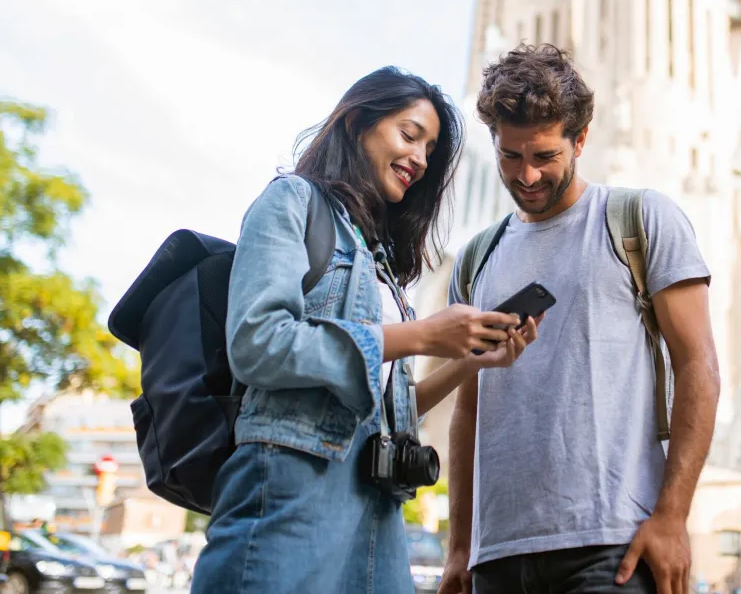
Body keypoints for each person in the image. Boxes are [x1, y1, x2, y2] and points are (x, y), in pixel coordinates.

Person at [190, 67, 542, 594]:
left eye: (429, 151)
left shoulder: (377, 258)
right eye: (409, 135)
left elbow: (390, 406)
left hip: (376, 505)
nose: (420, 160)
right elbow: (258, 343)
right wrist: (421, 335)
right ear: (357, 122)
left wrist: (470, 360)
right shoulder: (291, 202)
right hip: (291, 491)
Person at [438, 44, 720, 594]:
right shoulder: (478, 257)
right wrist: (459, 547)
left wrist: (673, 516)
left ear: (580, 139)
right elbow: (467, 408)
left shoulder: (640, 219)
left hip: (611, 544)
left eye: (544, 156)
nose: (527, 174)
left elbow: (699, 365)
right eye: (510, 157)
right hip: (498, 557)